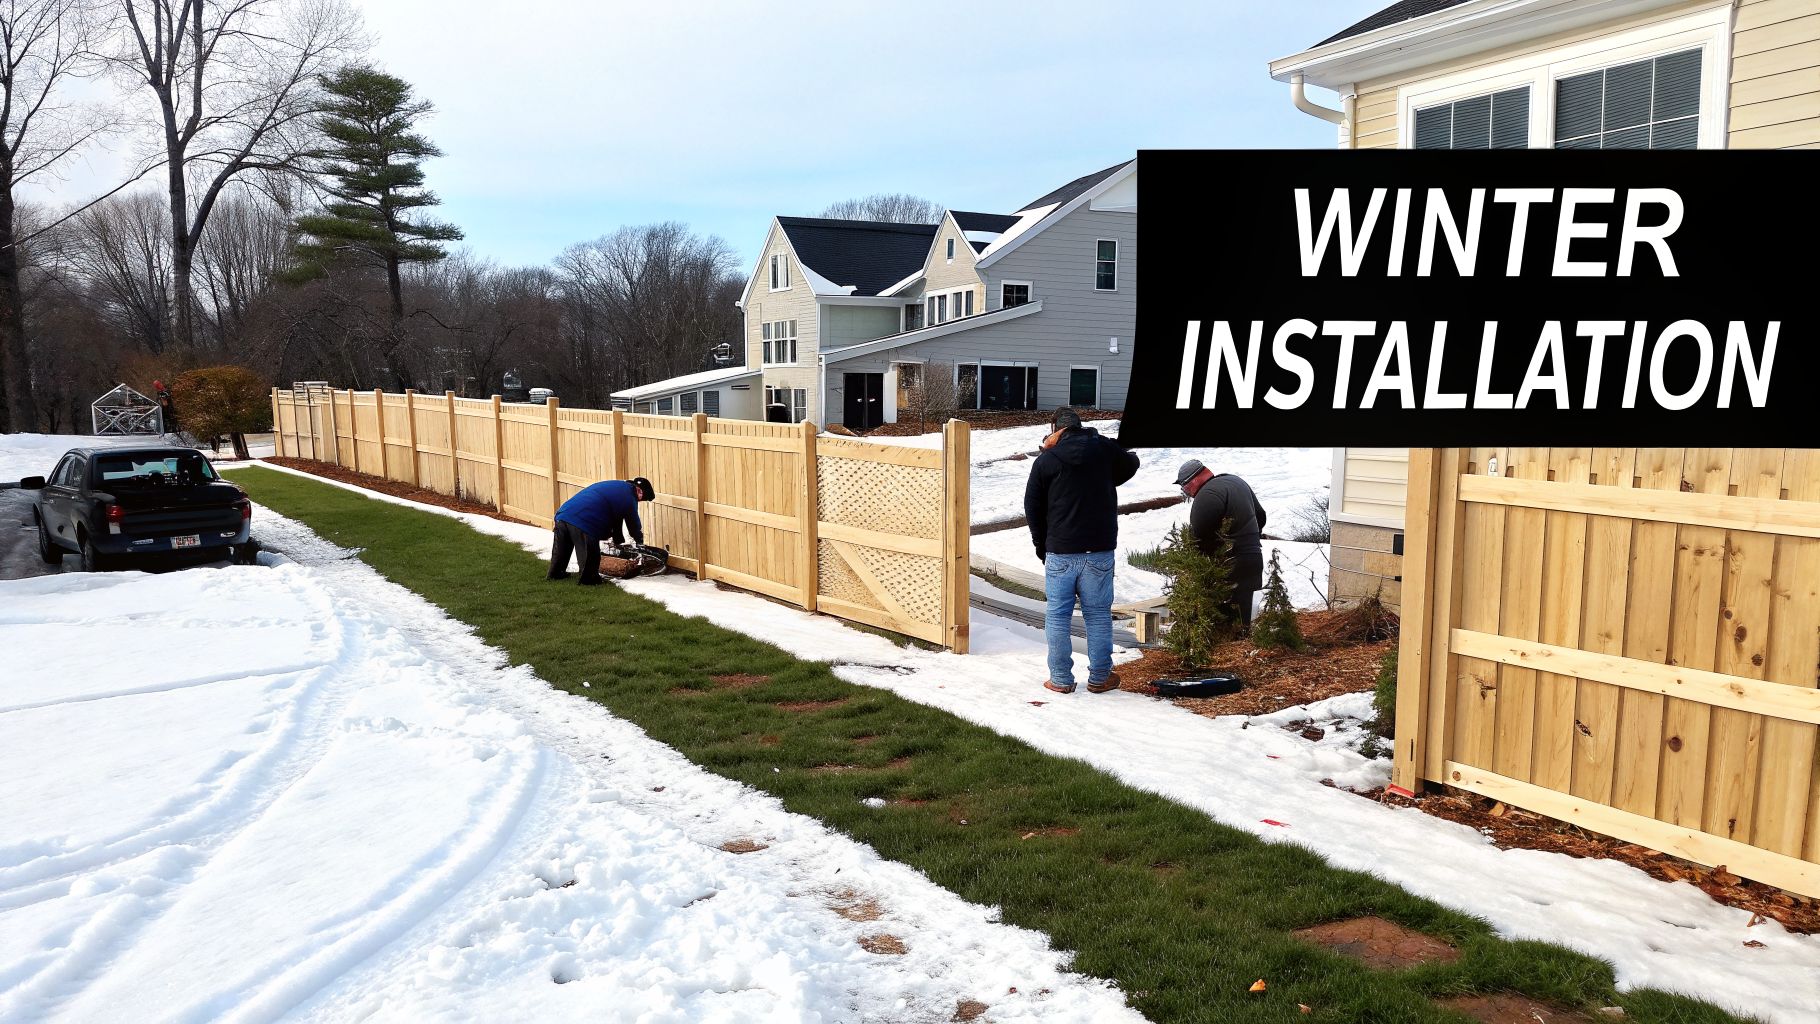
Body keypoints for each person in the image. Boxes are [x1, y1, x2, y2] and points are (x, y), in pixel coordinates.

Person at [1024, 407, 1140, 695]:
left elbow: (1032, 507)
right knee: (1098, 615)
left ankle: (1061, 679)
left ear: (1054, 429)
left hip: (1061, 551)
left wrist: (1042, 546)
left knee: (1058, 615)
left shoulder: (1047, 460)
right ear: (1079, 425)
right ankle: (1101, 678)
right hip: (1099, 550)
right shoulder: (1102, 450)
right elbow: (1130, 463)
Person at [1174, 459, 1267, 632]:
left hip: (1229, 565)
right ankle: (1245, 648)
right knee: (1244, 618)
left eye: (1184, 487)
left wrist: (1204, 563)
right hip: (1254, 557)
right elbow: (1261, 515)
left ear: (1194, 480)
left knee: (1225, 625)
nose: (1186, 492)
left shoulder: (1206, 495)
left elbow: (1199, 537)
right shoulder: (1236, 481)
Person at [547, 476, 655, 586]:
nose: (639, 501)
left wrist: (617, 538)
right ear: (639, 491)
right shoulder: (630, 498)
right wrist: (639, 541)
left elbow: (617, 518)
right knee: (591, 553)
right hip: (584, 520)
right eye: (642, 499)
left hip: (564, 514)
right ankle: (589, 580)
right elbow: (633, 525)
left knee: (562, 548)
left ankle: (556, 573)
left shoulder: (618, 487)